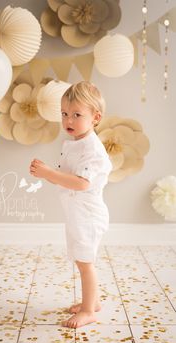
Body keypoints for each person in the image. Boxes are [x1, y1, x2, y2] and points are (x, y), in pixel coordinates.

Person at [30, 81, 112, 328]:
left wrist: (47, 173)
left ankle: (89, 310)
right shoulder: (73, 142)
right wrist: (49, 170)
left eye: (77, 115)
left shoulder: (93, 149)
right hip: (76, 213)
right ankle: (93, 301)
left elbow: (81, 183)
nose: (69, 120)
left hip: (88, 215)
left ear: (95, 118)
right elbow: (68, 172)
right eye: (65, 114)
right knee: (80, 259)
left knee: (86, 263)